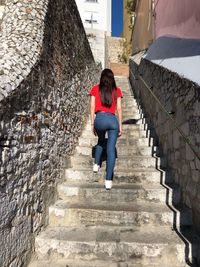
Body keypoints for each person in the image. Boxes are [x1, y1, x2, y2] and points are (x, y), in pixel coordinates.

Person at [89, 68, 123, 190]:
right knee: (110, 149)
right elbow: (119, 109)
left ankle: (96, 165)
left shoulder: (95, 88)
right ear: (112, 78)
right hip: (113, 121)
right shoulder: (117, 90)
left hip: (100, 119)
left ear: (102, 78)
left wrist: (92, 124)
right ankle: (108, 180)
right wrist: (120, 125)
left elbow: (92, 107)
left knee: (101, 140)